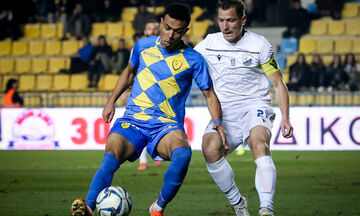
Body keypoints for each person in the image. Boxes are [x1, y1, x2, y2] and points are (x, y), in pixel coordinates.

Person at [71, 3, 226, 216]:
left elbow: (209, 94)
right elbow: (128, 72)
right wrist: (111, 101)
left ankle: (157, 208)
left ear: (185, 32)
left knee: (183, 154)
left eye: (177, 31)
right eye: (168, 28)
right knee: (112, 152)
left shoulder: (194, 59)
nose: (171, 35)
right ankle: (88, 206)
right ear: (161, 23)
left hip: (166, 125)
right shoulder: (143, 45)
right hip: (134, 120)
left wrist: (218, 122)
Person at [194, 0, 293, 215]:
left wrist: (285, 118)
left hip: (254, 106)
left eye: (231, 20)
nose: (225, 26)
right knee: (209, 150)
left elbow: (278, 83)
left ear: (243, 20)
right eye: (221, 20)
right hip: (224, 111)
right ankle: (238, 203)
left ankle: (266, 208)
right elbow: (186, 63)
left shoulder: (259, 45)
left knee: (259, 144)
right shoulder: (208, 43)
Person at [137, 19, 161, 170]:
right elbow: (131, 72)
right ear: (145, 31)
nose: (151, 31)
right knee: (141, 128)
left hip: (160, 96)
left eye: (154, 29)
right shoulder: (139, 48)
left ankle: (156, 154)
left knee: (157, 128)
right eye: (149, 29)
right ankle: (143, 161)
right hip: (142, 96)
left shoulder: (163, 48)